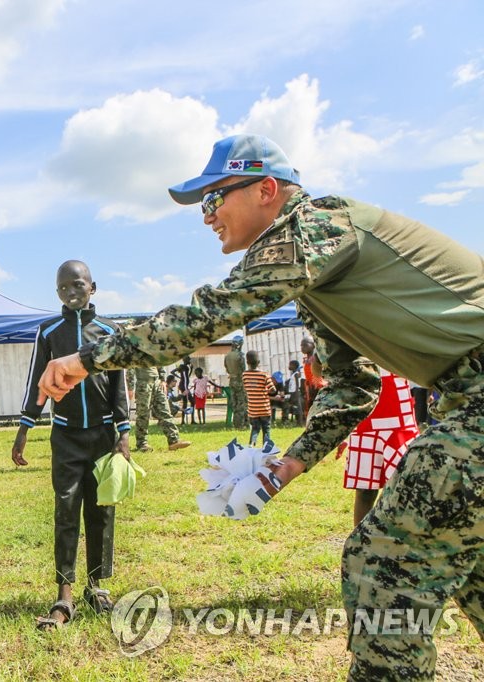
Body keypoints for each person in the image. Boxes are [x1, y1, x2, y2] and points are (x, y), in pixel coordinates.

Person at [35, 133, 484, 680]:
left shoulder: (313, 228)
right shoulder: (317, 271)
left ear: (267, 189)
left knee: (384, 565)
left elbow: (208, 315)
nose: (207, 217)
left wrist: (85, 359)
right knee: (468, 565)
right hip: (467, 398)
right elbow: (354, 382)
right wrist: (290, 464)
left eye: (214, 199)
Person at [11, 260, 131, 630]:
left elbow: (119, 384)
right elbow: (37, 380)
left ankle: (97, 586)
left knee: (101, 511)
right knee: (66, 510)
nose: (71, 292)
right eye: (63, 288)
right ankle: (64, 593)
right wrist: (25, 427)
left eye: (77, 285)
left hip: (102, 434)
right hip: (65, 435)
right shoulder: (48, 331)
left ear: (92, 287)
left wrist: (123, 434)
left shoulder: (110, 331)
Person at [338, 370, 418, 527]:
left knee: (404, 486)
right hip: (364, 415)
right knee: (365, 490)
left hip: (399, 415)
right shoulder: (355, 344)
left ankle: (400, 541)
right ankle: (359, 545)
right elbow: (321, 369)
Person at [133, 366, 191, 452]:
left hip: (157, 383)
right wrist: (130, 386)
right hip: (143, 382)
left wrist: (163, 379)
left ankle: (174, 441)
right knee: (143, 413)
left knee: (165, 410)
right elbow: (130, 364)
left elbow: (159, 362)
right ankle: (142, 443)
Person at [242, 351, 275, 447]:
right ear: (259, 362)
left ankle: (251, 444)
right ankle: (266, 447)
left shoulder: (245, 375)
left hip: (253, 408)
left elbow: (246, 388)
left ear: (247, 362)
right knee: (266, 428)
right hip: (264, 407)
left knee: (255, 428)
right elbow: (272, 389)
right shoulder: (264, 374)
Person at [224, 336, 248, 429]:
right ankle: (242, 424)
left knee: (234, 403)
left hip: (232, 381)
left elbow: (226, 368)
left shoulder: (227, 356)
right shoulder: (240, 355)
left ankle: (236, 423)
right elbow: (243, 369)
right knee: (242, 403)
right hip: (240, 381)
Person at [300, 337, 325, 415]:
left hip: (318, 384)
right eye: (301, 346)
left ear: (313, 345)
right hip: (309, 385)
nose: (302, 347)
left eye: (305, 345)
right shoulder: (306, 359)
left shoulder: (316, 357)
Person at [282, 359, 305, 424]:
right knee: (295, 406)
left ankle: (300, 422)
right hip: (293, 393)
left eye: (290, 365)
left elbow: (297, 384)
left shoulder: (296, 374)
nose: (288, 366)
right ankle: (297, 421)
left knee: (298, 407)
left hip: (295, 393)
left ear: (294, 366)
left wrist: (296, 392)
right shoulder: (294, 374)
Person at [174, 355, 194, 424]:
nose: (189, 361)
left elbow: (187, 377)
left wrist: (191, 370)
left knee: (190, 402)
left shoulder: (185, 367)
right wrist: (180, 378)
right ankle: (184, 420)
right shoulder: (182, 366)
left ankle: (189, 420)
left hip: (184, 385)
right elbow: (173, 372)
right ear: (185, 360)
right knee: (189, 402)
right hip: (184, 386)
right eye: (188, 360)